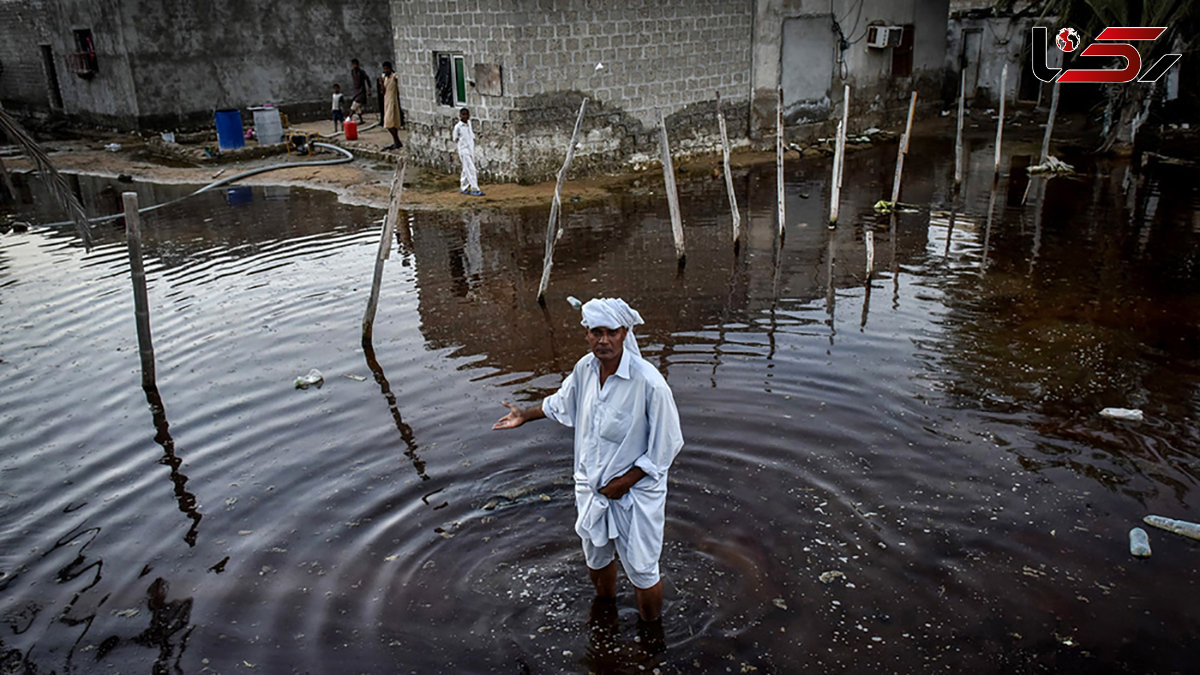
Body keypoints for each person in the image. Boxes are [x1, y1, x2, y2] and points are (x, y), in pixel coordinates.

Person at [492, 298, 684, 624]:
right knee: (596, 556)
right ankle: (606, 612)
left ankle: (652, 636)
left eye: (611, 332)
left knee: (642, 569)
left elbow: (667, 446)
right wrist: (525, 414)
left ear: (625, 333)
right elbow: (563, 403)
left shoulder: (649, 383)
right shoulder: (585, 369)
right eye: (596, 332)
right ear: (587, 334)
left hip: (636, 495)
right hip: (592, 488)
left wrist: (625, 482)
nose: (603, 340)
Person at [452, 107, 483, 196]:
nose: (465, 116)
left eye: (467, 114)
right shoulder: (458, 127)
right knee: (471, 169)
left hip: (470, 149)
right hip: (464, 150)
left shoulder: (469, 123)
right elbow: (455, 138)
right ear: (460, 115)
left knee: (466, 169)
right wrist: (462, 146)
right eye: (463, 114)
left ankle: (463, 187)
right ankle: (475, 188)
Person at [379, 62, 403, 151]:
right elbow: (383, 92)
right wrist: (381, 84)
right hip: (387, 101)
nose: (385, 71)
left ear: (390, 68)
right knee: (391, 123)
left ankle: (397, 141)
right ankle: (396, 141)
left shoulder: (394, 76)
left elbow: (399, 79)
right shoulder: (385, 78)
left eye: (387, 69)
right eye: (384, 69)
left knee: (389, 123)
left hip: (393, 101)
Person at [349, 58, 370, 124]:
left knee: (354, 106)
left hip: (361, 91)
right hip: (356, 91)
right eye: (353, 64)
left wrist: (369, 89)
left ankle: (348, 118)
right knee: (357, 107)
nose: (355, 66)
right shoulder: (352, 72)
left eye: (356, 64)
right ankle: (361, 120)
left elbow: (367, 79)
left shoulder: (361, 72)